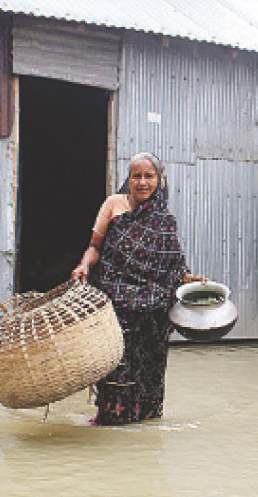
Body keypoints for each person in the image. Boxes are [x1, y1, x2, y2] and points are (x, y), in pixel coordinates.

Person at [70, 152, 206, 425]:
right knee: (116, 369)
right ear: (128, 179)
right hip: (116, 305)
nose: (142, 182)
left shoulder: (165, 221)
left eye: (148, 176)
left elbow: (172, 267)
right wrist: (84, 265)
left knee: (149, 370)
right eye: (136, 176)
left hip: (153, 313)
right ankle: (112, 421)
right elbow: (95, 246)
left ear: (159, 180)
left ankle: (143, 426)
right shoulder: (113, 205)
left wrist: (187, 279)